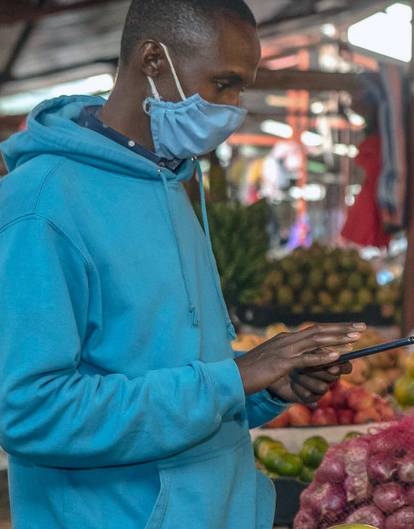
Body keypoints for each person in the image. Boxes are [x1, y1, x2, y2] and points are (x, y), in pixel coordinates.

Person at [0, 1, 360, 527]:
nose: (234, 108)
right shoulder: (42, 205)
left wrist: (264, 390)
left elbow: (172, 367)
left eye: (242, 88)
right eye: (223, 83)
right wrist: (234, 378)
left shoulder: (168, 184)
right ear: (152, 59)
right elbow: (31, 413)